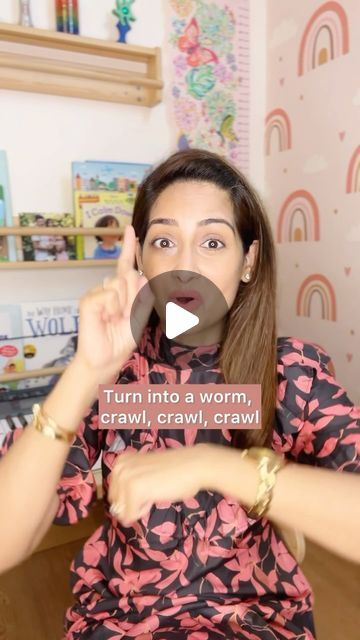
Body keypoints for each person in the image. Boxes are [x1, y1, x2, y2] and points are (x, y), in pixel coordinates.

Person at [0, 149, 359, 640]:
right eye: (165, 241)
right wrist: (86, 372)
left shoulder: (292, 372)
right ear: (140, 257)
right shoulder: (114, 376)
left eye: (212, 241)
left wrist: (213, 465)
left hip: (252, 623)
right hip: (121, 623)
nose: (185, 265)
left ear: (249, 260)